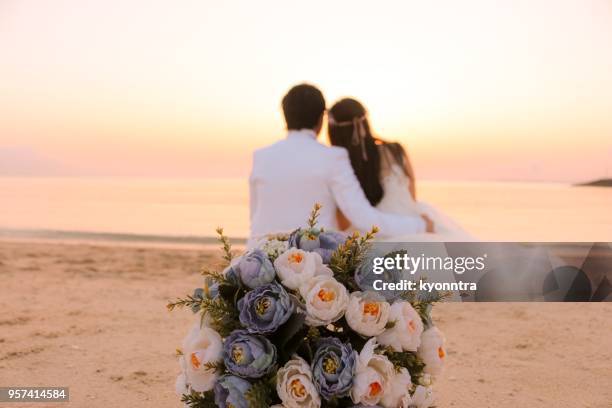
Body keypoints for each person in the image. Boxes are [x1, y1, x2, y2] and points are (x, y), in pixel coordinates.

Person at [248, 84, 434, 243]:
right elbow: (362, 217)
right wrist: (419, 225)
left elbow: (254, 219)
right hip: (313, 259)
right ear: (321, 119)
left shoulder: (261, 156)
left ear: (285, 115)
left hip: (260, 257)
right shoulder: (333, 157)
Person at [328, 97, 468, 239]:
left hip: (369, 240)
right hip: (413, 229)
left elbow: (343, 223)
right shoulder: (396, 151)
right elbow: (411, 197)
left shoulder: (339, 165)